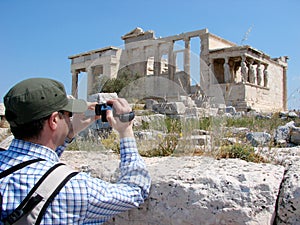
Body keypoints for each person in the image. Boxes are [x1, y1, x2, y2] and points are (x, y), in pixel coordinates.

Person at [0, 78, 151, 224]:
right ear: (54, 121)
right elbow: (136, 191)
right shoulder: (75, 189)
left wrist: (68, 132)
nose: (70, 118)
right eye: (68, 114)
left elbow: (38, 165)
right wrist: (126, 131)